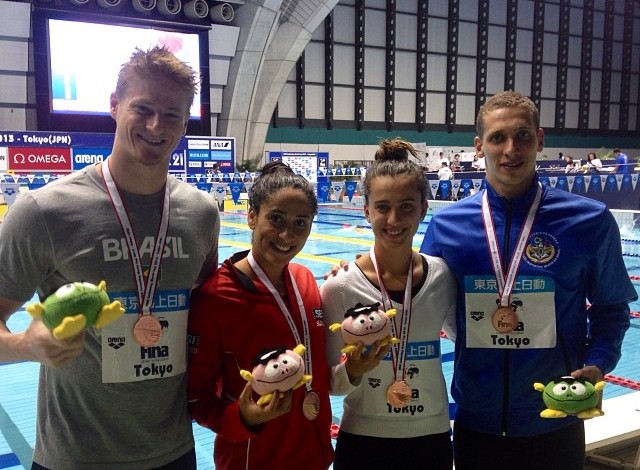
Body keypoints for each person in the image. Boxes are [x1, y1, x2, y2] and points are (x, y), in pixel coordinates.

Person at [0, 46, 220, 469]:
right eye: (143, 108)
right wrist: (24, 345)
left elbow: (210, 315)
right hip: (76, 457)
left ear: (185, 123)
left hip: (173, 452)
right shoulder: (44, 211)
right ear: (115, 107)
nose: (157, 125)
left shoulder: (201, 213)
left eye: (172, 114)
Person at [420, 91, 636, 470]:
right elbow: (412, 297)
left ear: (540, 139)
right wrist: (357, 272)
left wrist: (599, 363)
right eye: (497, 137)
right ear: (479, 146)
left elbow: (613, 309)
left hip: (555, 418)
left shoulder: (588, 221)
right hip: (476, 424)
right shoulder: (447, 226)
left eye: (522, 136)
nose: (510, 149)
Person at [187, 161, 334, 469]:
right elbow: (196, 399)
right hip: (253, 460)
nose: (286, 234)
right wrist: (242, 418)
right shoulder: (216, 297)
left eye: (300, 223)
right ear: (252, 217)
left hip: (314, 459)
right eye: (276, 219)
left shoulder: (306, 280)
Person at [321, 138, 456, 469]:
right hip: (363, 442)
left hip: (432, 437)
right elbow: (325, 383)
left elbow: (465, 338)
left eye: (407, 206)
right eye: (382, 207)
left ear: (424, 208)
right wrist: (351, 371)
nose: (393, 219)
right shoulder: (340, 286)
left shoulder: (442, 276)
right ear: (366, 211)